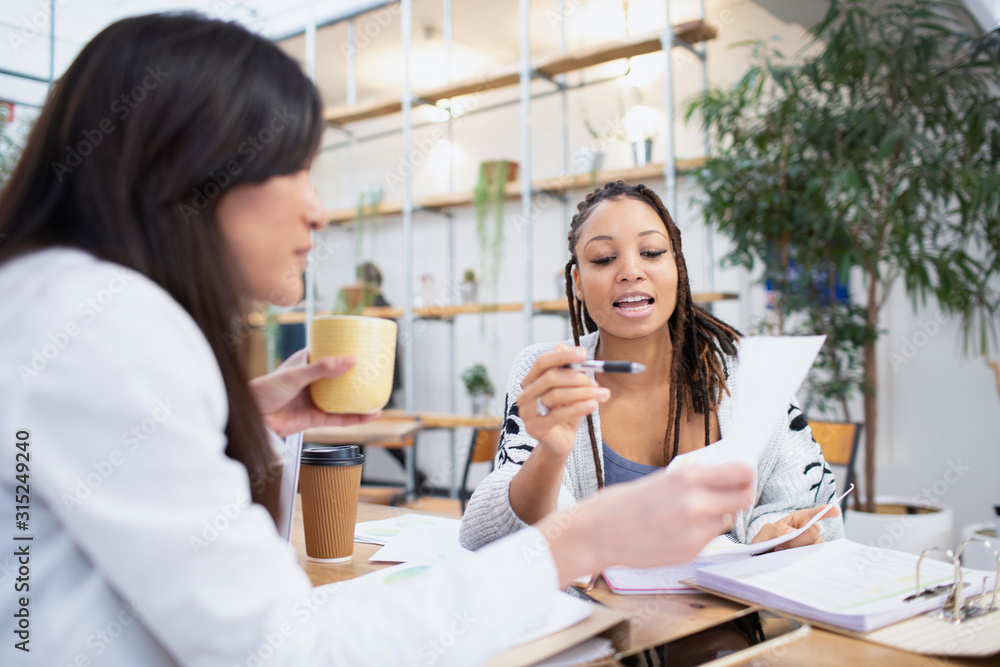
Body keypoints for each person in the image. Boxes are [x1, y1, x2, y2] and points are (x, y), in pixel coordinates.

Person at [0, 14, 756, 665]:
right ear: (184, 171)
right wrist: (571, 542)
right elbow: (284, 649)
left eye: (654, 252)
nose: (319, 210)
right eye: (293, 168)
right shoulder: (106, 322)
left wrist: (248, 416)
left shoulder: (65, 303)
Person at [460, 181, 845, 552]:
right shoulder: (551, 373)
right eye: (604, 259)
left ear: (676, 265)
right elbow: (487, 538)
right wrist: (550, 455)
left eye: (652, 252)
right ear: (577, 281)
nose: (630, 271)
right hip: (601, 618)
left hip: (728, 617)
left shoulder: (749, 374)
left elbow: (815, 512)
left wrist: (772, 535)